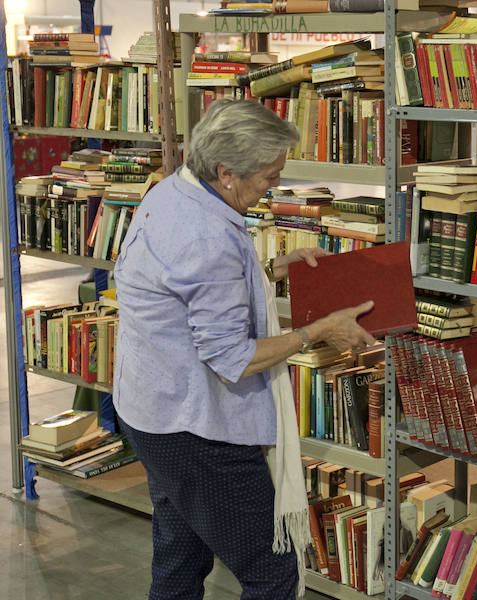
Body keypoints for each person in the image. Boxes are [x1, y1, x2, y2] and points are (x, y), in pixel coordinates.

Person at [113, 99, 376, 600]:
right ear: (226, 172)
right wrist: (318, 332)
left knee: (180, 559)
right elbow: (232, 358)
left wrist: (272, 270)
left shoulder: (173, 191)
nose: (274, 186)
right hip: (194, 430)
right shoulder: (206, 236)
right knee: (272, 573)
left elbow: (191, 291)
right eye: (269, 176)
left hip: (152, 412)